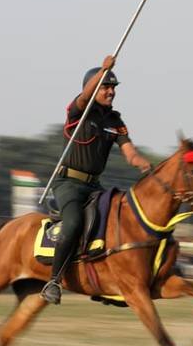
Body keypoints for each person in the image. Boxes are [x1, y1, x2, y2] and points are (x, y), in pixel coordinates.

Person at [41, 55, 151, 305]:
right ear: (93, 88)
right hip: (68, 183)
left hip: (94, 186)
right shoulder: (79, 111)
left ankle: (105, 283)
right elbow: (83, 97)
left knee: (117, 222)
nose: (111, 91)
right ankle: (54, 281)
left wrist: (143, 164)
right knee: (73, 223)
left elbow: (130, 153)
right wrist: (103, 70)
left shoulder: (116, 121)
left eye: (113, 87)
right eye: (105, 87)